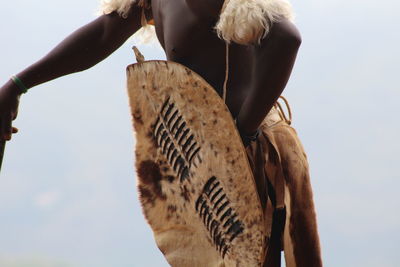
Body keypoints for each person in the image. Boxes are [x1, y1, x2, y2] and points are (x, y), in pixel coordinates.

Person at [0, 0, 322, 266]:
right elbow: (103, 36)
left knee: (248, 257)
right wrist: (18, 86)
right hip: (199, 154)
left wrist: (244, 131)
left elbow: (285, 38)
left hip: (247, 156)